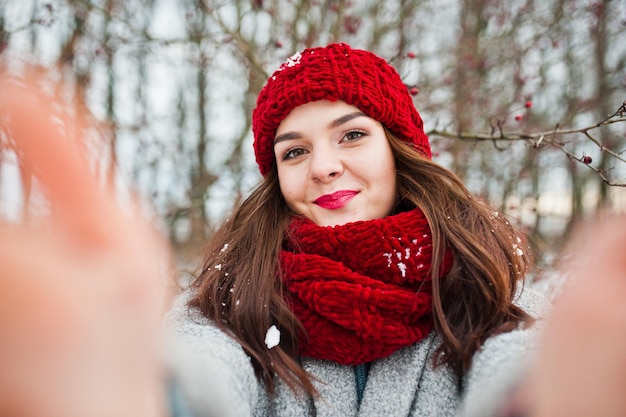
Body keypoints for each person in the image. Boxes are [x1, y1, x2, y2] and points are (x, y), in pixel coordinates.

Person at [166, 42, 550, 417]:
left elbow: (525, 365)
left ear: (397, 148)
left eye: (351, 135)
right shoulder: (230, 299)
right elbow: (199, 369)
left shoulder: (488, 286)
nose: (322, 167)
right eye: (295, 151)